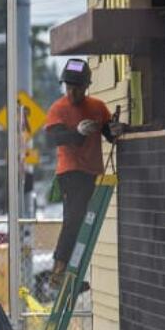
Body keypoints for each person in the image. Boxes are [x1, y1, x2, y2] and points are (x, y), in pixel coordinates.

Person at [44, 59, 126, 279]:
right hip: (70, 172)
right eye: (68, 87)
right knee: (74, 219)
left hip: (93, 173)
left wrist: (117, 129)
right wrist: (77, 133)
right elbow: (53, 138)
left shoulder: (97, 107)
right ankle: (59, 268)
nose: (72, 92)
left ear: (86, 86)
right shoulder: (58, 109)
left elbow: (109, 133)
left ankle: (73, 273)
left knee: (83, 223)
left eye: (77, 88)